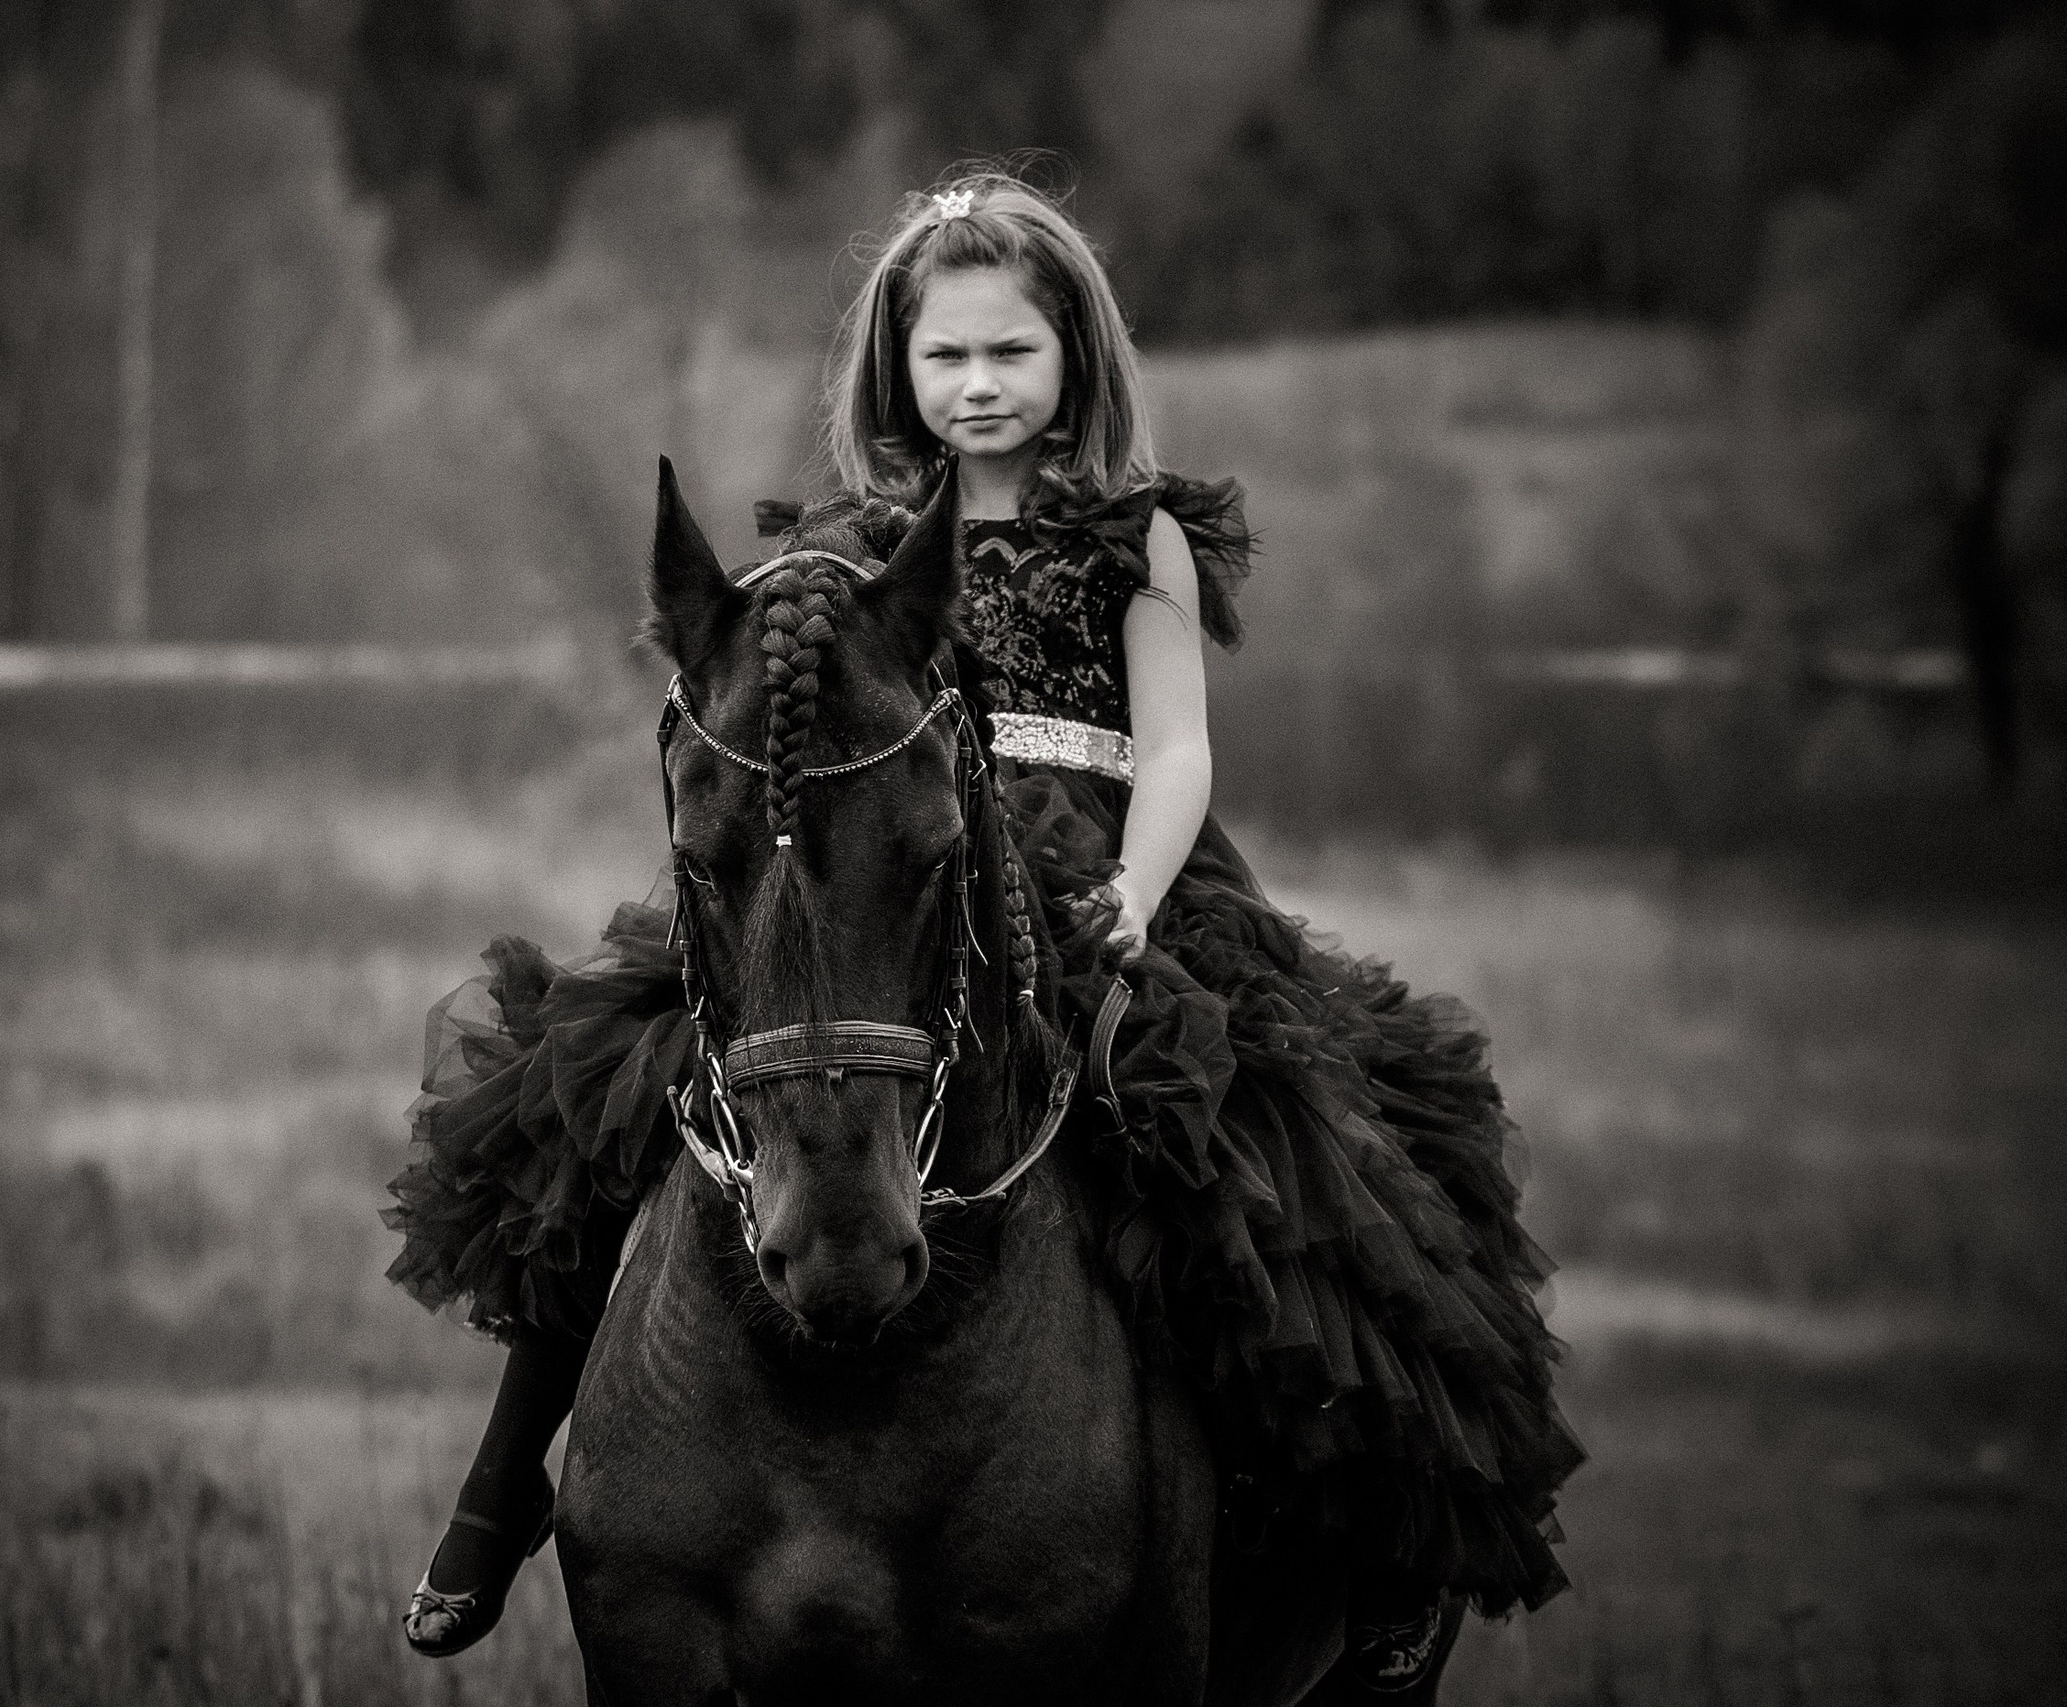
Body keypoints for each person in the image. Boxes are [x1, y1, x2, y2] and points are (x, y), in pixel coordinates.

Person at [384, 172, 1583, 1691]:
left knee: (1284, 1161)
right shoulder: (853, 545)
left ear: (1077, 354)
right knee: (608, 1102)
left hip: (1102, 881)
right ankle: (504, 1488)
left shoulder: (1133, 538)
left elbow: (1183, 752)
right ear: (897, 367)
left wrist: (1135, 901)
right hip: (888, 880)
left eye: (1011, 353)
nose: (978, 387)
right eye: (945, 356)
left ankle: (1374, 1528)